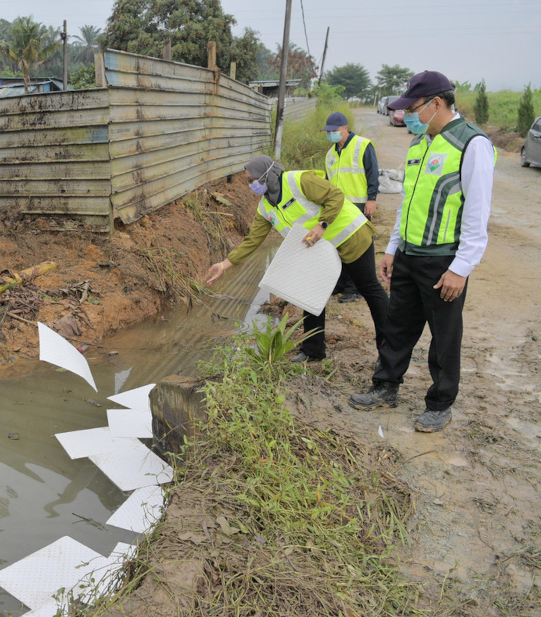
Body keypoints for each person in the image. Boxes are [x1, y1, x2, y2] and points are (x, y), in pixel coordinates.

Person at [349, 71, 495, 432]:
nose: (408, 116)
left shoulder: (471, 144)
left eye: (412, 108)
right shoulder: (418, 143)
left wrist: (461, 268)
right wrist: (392, 249)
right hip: (409, 255)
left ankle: (440, 403)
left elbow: (478, 214)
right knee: (398, 326)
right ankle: (386, 386)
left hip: (443, 259)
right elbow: (407, 204)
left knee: (444, 336)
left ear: (436, 104)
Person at [206, 155, 389, 362]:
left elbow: (335, 196)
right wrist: (224, 264)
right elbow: (252, 241)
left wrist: (322, 224)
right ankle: (313, 351)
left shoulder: (298, 181)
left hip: (350, 235)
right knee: (310, 294)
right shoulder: (265, 207)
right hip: (321, 250)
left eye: (252, 179)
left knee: (368, 288)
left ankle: (388, 348)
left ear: (268, 175)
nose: (251, 185)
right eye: (248, 181)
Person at [323, 111, 381, 303]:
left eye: (335, 130)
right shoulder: (330, 153)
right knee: (339, 246)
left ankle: (355, 288)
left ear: (345, 128)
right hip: (339, 208)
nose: (331, 134)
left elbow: (372, 173)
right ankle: (341, 284)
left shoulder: (362, 145)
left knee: (359, 248)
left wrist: (371, 198)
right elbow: (328, 181)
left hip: (359, 205)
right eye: (328, 131)